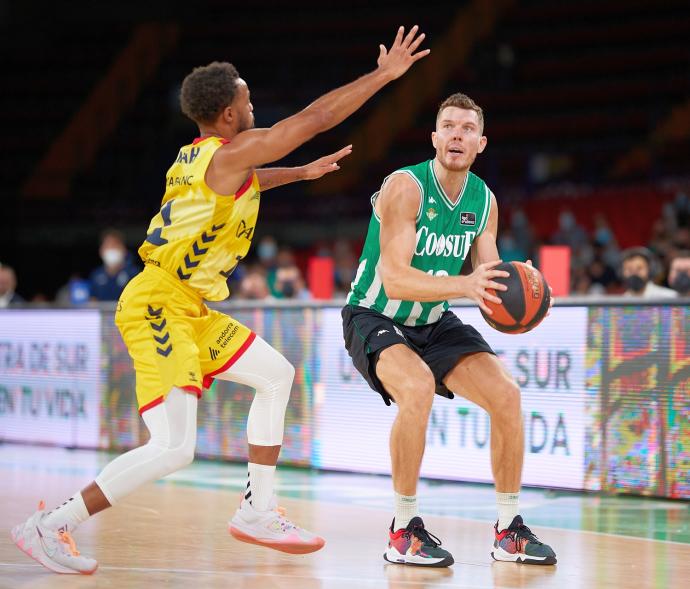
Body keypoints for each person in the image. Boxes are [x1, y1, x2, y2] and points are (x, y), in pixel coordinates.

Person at [11, 26, 430, 574]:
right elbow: (314, 120)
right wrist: (383, 76)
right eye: (248, 98)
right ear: (230, 114)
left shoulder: (200, 158)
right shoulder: (229, 154)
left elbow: (246, 179)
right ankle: (51, 524)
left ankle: (257, 509)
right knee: (174, 447)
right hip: (158, 303)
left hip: (191, 307)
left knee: (277, 374)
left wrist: (300, 173)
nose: (253, 104)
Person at [342, 93, 556, 567]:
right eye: (448, 126)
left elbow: (492, 281)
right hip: (375, 314)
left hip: (434, 319)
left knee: (507, 396)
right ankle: (402, 531)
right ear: (434, 137)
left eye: (466, 129)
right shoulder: (405, 187)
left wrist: (529, 300)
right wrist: (465, 284)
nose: (457, 134)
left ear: (480, 143)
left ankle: (508, 531)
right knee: (416, 388)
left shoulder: (484, 201)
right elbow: (395, 277)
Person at [88, 229, 140, 301]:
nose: (111, 249)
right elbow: (92, 301)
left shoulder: (134, 274)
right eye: (108, 246)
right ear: (101, 250)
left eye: (115, 245)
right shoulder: (96, 275)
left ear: (124, 250)